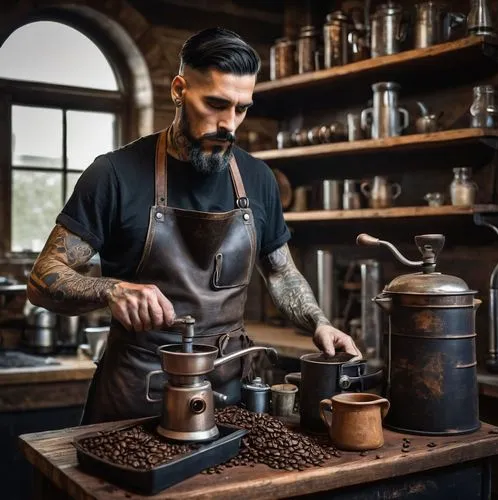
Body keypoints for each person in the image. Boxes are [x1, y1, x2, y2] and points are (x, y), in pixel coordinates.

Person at [27, 27, 361, 424]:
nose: (229, 125)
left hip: (230, 391)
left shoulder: (258, 179)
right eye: (216, 104)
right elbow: (43, 278)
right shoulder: (114, 174)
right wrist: (110, 289)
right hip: (138, 391)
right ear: (178, 90)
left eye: (241, 108)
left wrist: (320, 323)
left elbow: (282, 273)